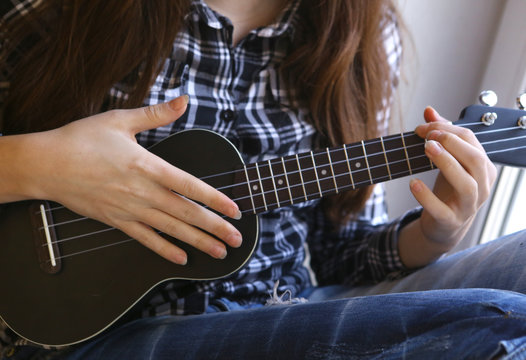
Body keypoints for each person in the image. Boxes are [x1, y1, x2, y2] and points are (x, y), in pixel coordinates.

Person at [1, 0, 526, 359]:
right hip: (108, 334)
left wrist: (434, 235)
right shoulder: (55, 12)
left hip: (295, 306)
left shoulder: (359, 31)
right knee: (503, 320)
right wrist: (39, 163)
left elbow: (337, 245)